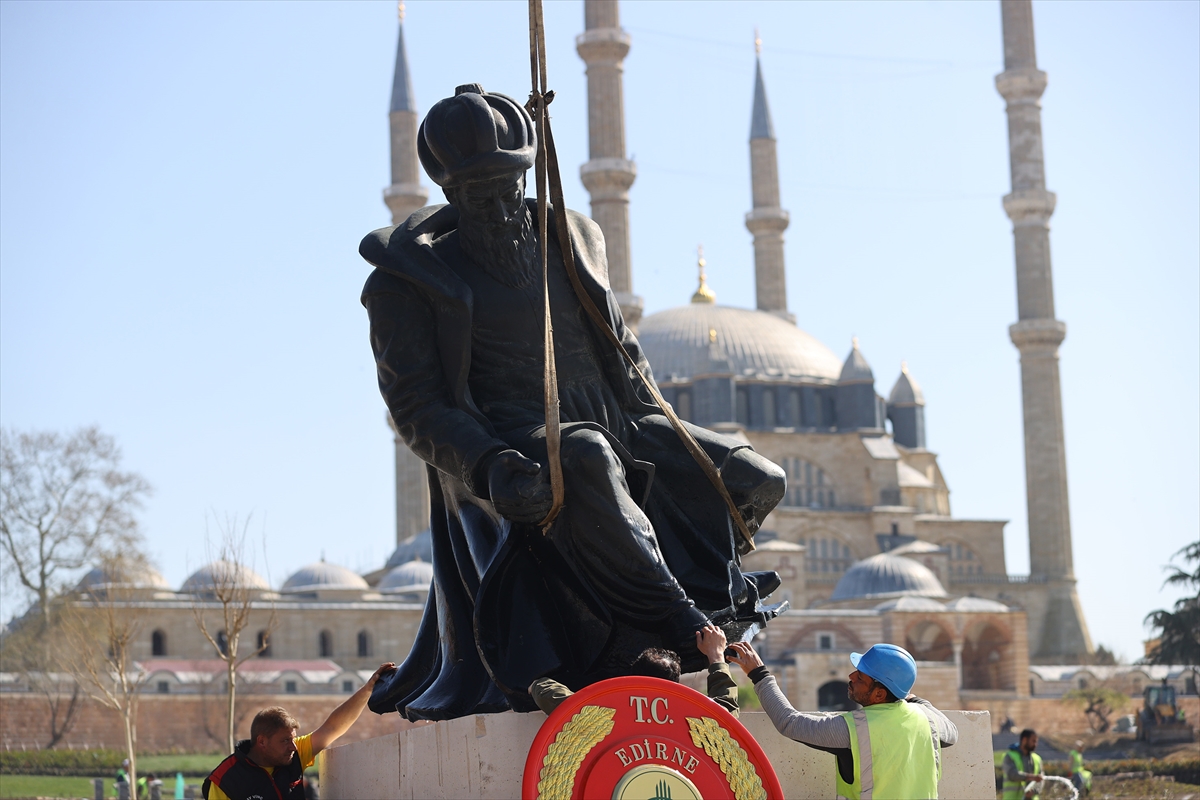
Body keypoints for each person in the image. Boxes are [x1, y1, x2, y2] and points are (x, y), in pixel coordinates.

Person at [360, 83, 786, 722]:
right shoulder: (407, 281)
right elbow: (416, 406)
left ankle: (709, 594)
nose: (502, 209)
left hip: (620, 420)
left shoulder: (574, 237)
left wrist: (664, 424)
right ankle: (680, 622)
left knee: (755, 475)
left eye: (510, 190)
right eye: (481, 197)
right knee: (584, 456)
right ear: (449, 192)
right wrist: (489, 462)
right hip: (509, 438)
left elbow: (622, 346)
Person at [728, 641, 957, 800]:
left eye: (860, 677)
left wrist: (758, 674)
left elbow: (790, 723)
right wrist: (905, 692)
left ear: (879, 694)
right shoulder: (928, 719)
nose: (850, 677)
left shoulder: (855, 729)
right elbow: (952, 733)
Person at [202, 662, 395, 800]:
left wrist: (368, 689)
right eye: (285, 741)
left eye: (293, 739)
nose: (293, 747)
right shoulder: (224, 780)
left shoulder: (293, 755)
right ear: (262, 742)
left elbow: (332, 727)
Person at [530, 624, 741, 717]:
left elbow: (551, 694)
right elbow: (726, 712)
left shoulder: (606, 715)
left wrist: (536, 685)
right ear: (675, 687)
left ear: (632, 679)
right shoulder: (687, 719)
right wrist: (716, 655)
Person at [1001, 728, 1044, 800]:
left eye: (1036, 742)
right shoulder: (1010, 756)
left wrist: (1033, 791)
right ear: (1024, 740)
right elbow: (1012, 774)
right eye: (1033, 741)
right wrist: (1032, 777)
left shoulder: (1037, 759)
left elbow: (1041, 779)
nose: (1035, 744)